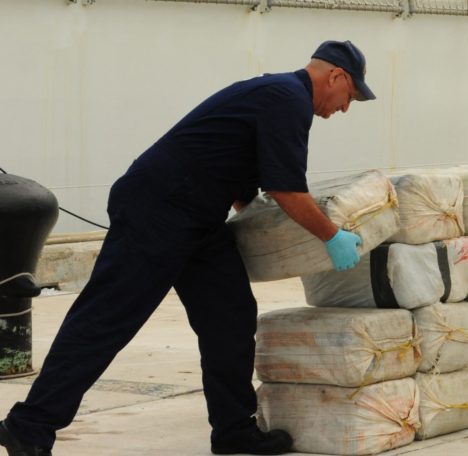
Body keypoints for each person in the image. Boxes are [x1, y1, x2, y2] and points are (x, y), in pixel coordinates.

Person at [0, 40, 375, 456]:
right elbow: (285, 188)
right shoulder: (288, 99)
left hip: (199, 218)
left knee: (229, 316)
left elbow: (245, 185)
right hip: (158, 209)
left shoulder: (278, 96)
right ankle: (29, 425)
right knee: (107, 319)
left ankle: (234, 431)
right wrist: (330, 236)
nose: (345, 107)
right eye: (350, 97)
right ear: (336, 76)